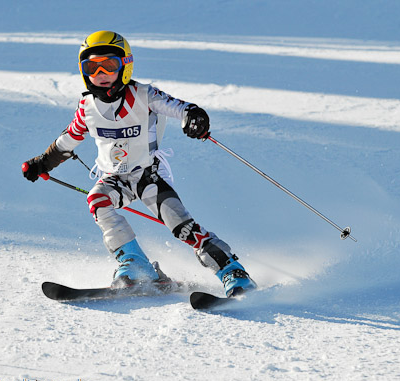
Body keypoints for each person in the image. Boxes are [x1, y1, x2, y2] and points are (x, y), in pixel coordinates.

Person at [23, 30, 256, 297]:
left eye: (108, 65)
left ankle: (233, 273)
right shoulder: (87, 106)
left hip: (148, 176)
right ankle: (136, 266)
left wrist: (194, 117)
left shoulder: (144, 95)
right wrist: (42, 163)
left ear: (125, 66)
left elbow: (178, 107)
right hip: (114, 178)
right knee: (97, 200)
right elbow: (68, 139)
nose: (100, 72)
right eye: (91, 66)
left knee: (182, 227)